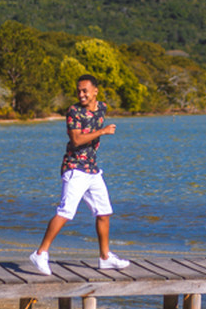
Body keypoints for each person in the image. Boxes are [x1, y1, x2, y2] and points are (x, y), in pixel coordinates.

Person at [29, 74, 130, 275]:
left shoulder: (102, 107)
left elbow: (96, 119)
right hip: (75, 168)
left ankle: (105, 257)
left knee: (104, 212)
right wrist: (102, 132)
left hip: (92, 169)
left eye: (85, 90)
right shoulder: (73, 111)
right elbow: (76, 140)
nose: (81, 94)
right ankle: (40, 253)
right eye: (79, 91)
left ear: (95, 91)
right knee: (66, 211)